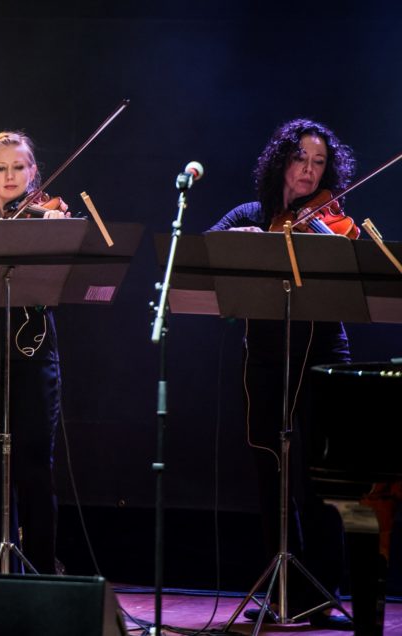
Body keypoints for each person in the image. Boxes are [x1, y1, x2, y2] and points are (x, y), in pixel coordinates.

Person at [209, 118, 353, 629]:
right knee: (271, 469)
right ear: (281, 163)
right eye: (301, 160)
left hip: (320, 356)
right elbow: (204, 253)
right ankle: (280, 586)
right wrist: (243, 240)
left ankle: (322, 590)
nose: (310, 172)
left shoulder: (330, 220)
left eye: (319, 163)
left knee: (317, 476)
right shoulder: (252, 213)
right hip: (267, 357)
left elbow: (352, 272)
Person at [0, 131, 68, 577]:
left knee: (35, 471)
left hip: (34, 358)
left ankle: (41, 573)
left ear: (33, 172)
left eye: (19, 167)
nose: (10, 176)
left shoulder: (48, 218)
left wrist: (60, 235)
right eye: (0, 168)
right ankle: (0, 572)